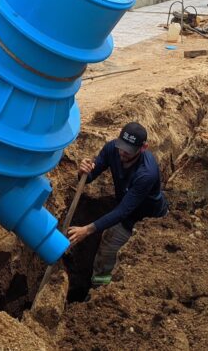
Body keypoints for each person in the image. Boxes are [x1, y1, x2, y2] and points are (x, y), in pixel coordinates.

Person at [66, 122, 168, 287]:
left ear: (143, 148)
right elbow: (90, 177)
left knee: (138, 271)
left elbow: (122, 211)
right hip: (126, 219)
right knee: (105, 255)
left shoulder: (146, 173)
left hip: (151, 224)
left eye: (129, 150)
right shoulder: (112, 149)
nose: (123, 152)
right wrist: (83, 171)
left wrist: (87, 230)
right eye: (122, 146)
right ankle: (98, 290)